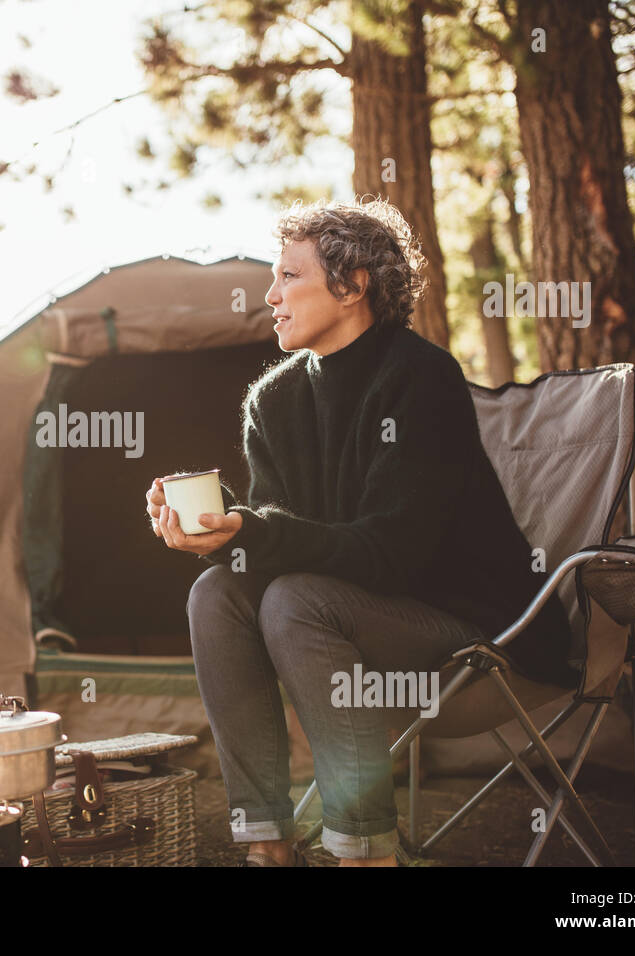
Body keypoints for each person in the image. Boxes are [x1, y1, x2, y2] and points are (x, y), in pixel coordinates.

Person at [145, 198, 572, 867]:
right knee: (216, 593)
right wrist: (224, 528)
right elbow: (281, 535)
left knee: (293, 600)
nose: (270, 295)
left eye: (289, 276)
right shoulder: (273, 400)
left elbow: (389, 555)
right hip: (341, 629)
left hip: (467, 633)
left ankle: (364, 851)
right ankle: (267, 844)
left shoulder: (421, 378)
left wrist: (255, 532)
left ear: (351, 285)